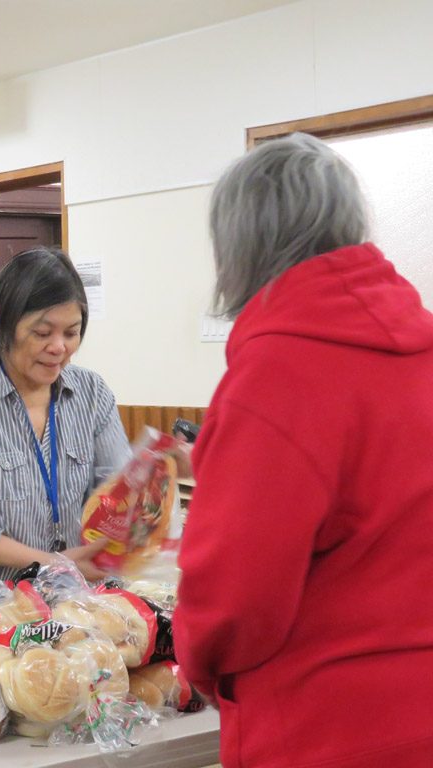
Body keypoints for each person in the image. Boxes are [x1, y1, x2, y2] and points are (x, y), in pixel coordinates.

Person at [174, 133, 433, 767]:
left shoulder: (277, 372)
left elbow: (233, 596)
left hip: (323, 726)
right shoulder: (422, 351)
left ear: (241, 243)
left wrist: (199, 665)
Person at [0, 246, 132, 592]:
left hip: (74, 604)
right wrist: (54, 564)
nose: (58, 347)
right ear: (0, 323)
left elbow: (118, 492)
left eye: (71, 333)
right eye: (42, 332)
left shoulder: (92, 393)